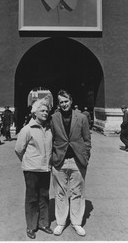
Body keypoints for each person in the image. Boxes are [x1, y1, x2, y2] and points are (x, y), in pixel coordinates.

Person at [50, 90, 91, 236]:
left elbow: (87, 139)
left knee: (77, 192)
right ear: (58, 104)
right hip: (59, 160)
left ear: (71, 101)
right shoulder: (54, 118)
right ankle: (61, 223)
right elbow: (51, 138)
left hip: (77, 161)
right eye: (61, 102)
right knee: (60, 193)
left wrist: (86, 156)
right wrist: (52, 158)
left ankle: (76, 223)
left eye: (66, 101)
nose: (64, 104)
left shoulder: (82, 117)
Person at [15, 98, 53, 239]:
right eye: (42, 110)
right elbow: (19, 149)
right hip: (31, 170)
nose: (45, 113)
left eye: (47, 111)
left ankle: (43, 223)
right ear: (34, 113)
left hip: (45, 169)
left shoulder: (49, 129)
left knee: (44, 196)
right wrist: (29, 162)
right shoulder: (27, 130)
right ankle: (31, 226)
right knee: (32, 198)